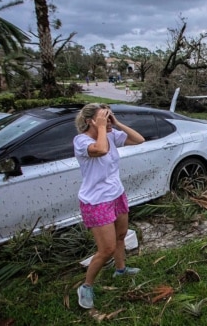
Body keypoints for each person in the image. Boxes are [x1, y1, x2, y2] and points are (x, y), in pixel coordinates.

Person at [73, 103, 145, 309]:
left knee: (121, 236)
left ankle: (120, 269)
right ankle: (86, 287)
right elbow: (101, 149)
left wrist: (116, 123)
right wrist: (103, 128)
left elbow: (139, 139)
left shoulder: (111, 135)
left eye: (108, 116)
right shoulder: (81, 141)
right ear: (90, 121)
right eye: (103, 117)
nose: (107, 119)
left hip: (116, 194)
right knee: (106, 249)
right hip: (96, 201)